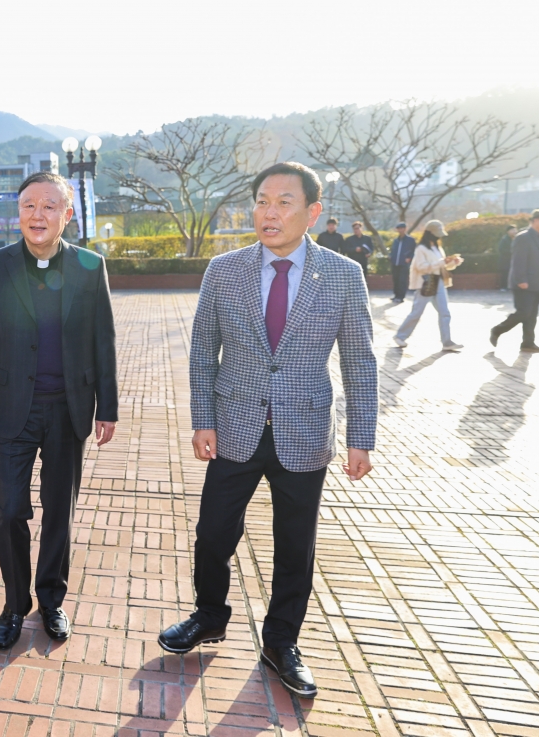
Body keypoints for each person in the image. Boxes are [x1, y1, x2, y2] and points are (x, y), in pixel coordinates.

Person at [157, 162, 377, 699]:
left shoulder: (343, 275)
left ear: (313, 211)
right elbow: (203, 352)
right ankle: (210, 614)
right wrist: (203, 419)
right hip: (235, 425)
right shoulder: (224, 270)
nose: (269, 212)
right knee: (213, 534)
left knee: (294, 545)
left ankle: (281, 642)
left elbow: (360, 361)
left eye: (283, 201)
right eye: (261, 200)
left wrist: (361, 436)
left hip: (304, 430)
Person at [0, 171, 119, 652]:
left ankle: (51, 598)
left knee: (59, 512)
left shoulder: (91, 267)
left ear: (67, 215)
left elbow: (103, 343)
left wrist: (107, 407)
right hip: (11, 409)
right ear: (19, 213)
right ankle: (15, 604)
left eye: (50, 205)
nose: (38, 214)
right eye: (29, 205)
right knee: (10, 509)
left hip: (69, 408)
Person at [491, 209, 539, 353]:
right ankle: (497, 330)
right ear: (535, 220)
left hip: (536, 282)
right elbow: (518, 261)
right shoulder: (524, 237)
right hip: (524, 283)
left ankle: (528, 343)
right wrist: (521, 279)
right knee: (524, 313)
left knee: (532, 315)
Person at [392, 221, 464, 352]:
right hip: (425, 283)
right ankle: (400, 336)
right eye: (437, 234)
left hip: (439, 282)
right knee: (417, 312)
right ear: (430, 233)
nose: (439, 237)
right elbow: (421, 267)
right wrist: (442, 262)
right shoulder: (421, 249)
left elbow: (442, 266)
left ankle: (447, 342)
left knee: (445, 312)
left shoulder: (437, 248)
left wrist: (453, 262)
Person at [388, 221, 416, 303]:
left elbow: (414, 251)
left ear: (405, 229)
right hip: (395, 263)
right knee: (395, 279)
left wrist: (409, 257)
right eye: (398, 229)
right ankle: (396, 295)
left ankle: (401, 296)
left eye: (401, 228)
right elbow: (393, 250)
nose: (400, 230)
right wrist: (391, 256)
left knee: (402, 280)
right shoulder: (396, 240)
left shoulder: (410, 240)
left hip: (404, 263)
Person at [497, 226, 518, 291]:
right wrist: (512, 252)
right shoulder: (504, 239)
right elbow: (501, 249)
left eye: (515, 230)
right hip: (506, 260)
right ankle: (504, 287)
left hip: (515, 259)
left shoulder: (518, 238)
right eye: (512, 230)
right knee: (505, 273)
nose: (514, 231)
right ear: (508, 231)